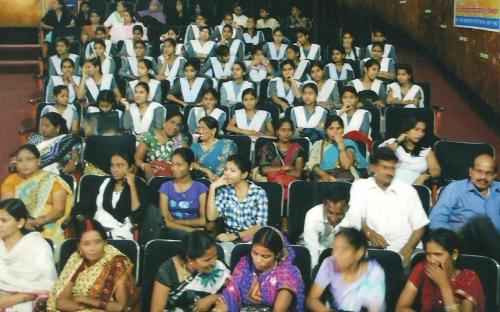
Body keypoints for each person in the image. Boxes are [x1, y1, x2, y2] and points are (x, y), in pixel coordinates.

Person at [338, 147, 429, 266]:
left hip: (406, 251)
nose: (390, 173)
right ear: (373, 167)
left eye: (392, 168)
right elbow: (356, 218)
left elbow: (420, 226)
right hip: (372, 251)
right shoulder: (360, 187)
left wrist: (408, 250)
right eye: (385, 167)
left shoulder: (408, 191)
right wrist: (369, 232)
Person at [47, 219, 139, 311]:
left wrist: (83, 299)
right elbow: (60, 302)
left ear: (105, 242)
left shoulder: (116, 262)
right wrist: (82, 309)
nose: (92, 248)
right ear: (79, 247)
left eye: (98, 242)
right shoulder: (76, 260)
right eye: (86, 244)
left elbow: (121, 307)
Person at [429, 154, 500, 262]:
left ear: (495, 175)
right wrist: (451, 238)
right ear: (471, 172)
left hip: (495, 243)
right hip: (461, 243)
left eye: (488, 173)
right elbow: (435, 220)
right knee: (480, 222)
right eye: (479, 171)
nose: (483, 177)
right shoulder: (455, 189)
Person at [215, 227, 304, 311]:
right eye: (255, 253)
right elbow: (230, 295)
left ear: (277, 254)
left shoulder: (287, 273)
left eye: (265, 256)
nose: (258, 260)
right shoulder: (245, 265)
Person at [396, 228, 485, 312]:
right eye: (428, 254)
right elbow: (400, 309)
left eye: (438, 254)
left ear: (454, 254)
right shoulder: (423, 268)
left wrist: (444, 285)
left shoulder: (468, 278)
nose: (431, 260)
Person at [1, 145, 73, 247]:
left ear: (39, 161)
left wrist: (36, 222)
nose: (24, 164)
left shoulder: (51, 179)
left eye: (29, 159)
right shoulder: (11, 180)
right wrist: (20, 223)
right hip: (16, 224)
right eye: (20, 160)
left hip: (47, 224)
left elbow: (59, 210)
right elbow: (7, 208)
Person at [306, 228, 386, 312]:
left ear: (359, 252)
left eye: (343, 250)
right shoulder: (329, 263)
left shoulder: (374, 273)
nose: (336, 255)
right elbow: (312, 299)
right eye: (335, 248)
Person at [72, 152, 148, 240]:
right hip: (96, 233)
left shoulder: (140, 185)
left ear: (131, 168)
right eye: (112, 165)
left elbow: (137, 215)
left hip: (122, 235)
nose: (114, 170)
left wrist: (132, 186)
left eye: (120, 166)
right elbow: (79, 208)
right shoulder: (102, 183)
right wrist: (84, 221)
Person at [150, 230, 230, 311]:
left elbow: (235, 292)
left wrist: (213, 298)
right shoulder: (168, 270)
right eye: (207, 260)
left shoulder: (217, 267)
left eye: (215, 256)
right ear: (190, 259)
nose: (213, 262)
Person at [0, 198, 57, 311]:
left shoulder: (37, 245)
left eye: (4, 221)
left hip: (27, 302)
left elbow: (46, 285)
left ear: (20, 222)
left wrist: (13, 299)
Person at [206, 154, 268, 246]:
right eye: (226, 169)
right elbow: (211, 217)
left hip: (253, 239)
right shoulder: (224, 191)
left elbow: (260, 226)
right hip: (230, 241)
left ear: (244, 174)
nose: (226, 173)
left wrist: (235, 235)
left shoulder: (258, 193)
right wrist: (212, 187)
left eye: (232, 170)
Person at [159, 148, 208, 239]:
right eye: (172, 164)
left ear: (191, 165)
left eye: (179, 165)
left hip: (195, 234)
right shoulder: (166, 187)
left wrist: (175, 221)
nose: (174, 168)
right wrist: (191, 231)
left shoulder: (200, 188)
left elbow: (203, 221)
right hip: (173, 232)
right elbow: (165, 222)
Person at [305, 115, 367, 182]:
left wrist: (340, 144)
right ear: (326, 131)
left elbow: (346, 165)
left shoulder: (348, 143)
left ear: (343, 130)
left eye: (338, 128)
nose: (335, 132)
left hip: (345, 181)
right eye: (331, 128)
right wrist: (324, 175)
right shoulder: (318, 144)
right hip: (323, 179)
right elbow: (312, 164)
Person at [380, 118, 441, 185]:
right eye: (416, 129)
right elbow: (384, 155)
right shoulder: (393, 142)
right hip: (390, 184)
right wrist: (398, 140)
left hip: (415, 187)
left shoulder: (425, 149)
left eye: (422, 131)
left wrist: (424, 176)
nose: (420, 134)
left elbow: (436, 169)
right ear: (407, 130)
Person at [301, 186, 350, 268]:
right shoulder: (312, 216)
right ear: (324, 205)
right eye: (330, 212)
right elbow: (312, 252)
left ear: (346, 208)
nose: (334, 219)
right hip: (314, 252)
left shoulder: (353, 218)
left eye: (339, 214)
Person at [135, 111, 189, 179]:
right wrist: (145, 166)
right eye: (172, 122)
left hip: (174, 178)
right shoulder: (150, 136)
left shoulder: (181, 138)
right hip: (153, 177)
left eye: (178, 125)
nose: (175, 127)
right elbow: (136, 158)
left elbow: (186, 161)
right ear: (164, 121)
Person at [255, 117, 305, 189]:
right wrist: (284, 168)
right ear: (277, 131)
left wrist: (276, 171)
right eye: (283, 130)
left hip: (291, 185)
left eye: (289, 130)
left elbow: (297, 173)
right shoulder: (268, 148)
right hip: (271, 185)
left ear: (293, 132)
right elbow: (264, 170)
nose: (286, 133)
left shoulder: (298, 149)